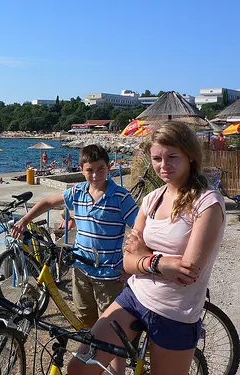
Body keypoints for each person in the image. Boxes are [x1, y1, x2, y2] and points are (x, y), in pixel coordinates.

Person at [67, 121, 226, 375]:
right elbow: (127, 262)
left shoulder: (206, 202)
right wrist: (159, 263)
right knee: (79, 368)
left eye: (172, 156)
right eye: (157, 158)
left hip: (174, 311)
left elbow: (187, 273)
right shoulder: (151, 199)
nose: (164, 165)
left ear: (190, 156)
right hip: (134, 296)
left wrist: (144, 257)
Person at [12, 144, 138, 329]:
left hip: (110, 275)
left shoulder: (121, 197)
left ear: (109, 167)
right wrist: (24, 220)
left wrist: (132, 268)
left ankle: (110, 358)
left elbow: (141, 230)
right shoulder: (77, 192)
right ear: (81, 170)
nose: (95, 175)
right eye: (89, 170)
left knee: (111, 327)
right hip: (80, 270)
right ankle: (89, 355)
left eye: (101, 169)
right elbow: (47, 202)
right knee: (85, 321)